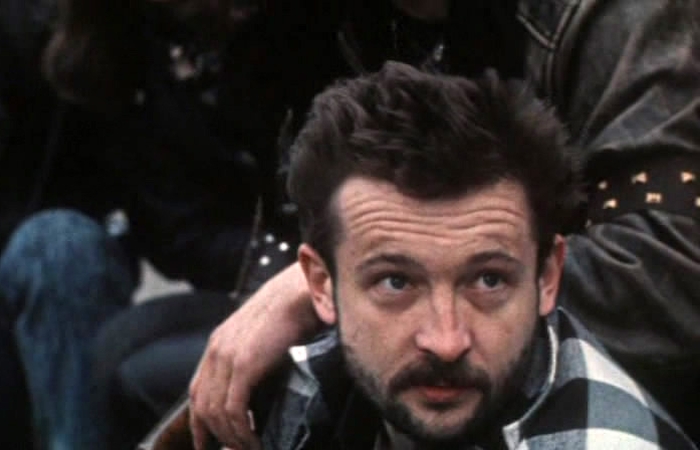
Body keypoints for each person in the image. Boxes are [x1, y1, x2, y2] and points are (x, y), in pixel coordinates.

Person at [184, 0, 700, 448]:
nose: (445, 337)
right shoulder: (316, 26)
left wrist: (335, 287)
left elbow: (662, 278)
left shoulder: (614, 16)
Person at [0, 0, 345, 448]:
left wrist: (295, 272)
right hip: (258, 262)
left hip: (335, 255)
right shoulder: (130, 56)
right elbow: (176, 227)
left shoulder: (303, 34)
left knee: (64, 257)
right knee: (111, 327)